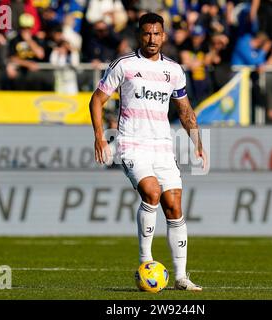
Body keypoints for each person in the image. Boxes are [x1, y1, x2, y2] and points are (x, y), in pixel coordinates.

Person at [89, 12, 207, 291]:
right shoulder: (125, 65)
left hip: (162, 146)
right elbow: (96, 99)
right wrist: (99, 137)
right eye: (147, 34)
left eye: (157, 34)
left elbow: (185, 110)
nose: (152, 39)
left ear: (164, 36)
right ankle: (146, 262)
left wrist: (197, 142)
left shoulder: (174, 71)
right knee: (152, 192)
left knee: (174, 208)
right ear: (139, 35)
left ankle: (181, 277)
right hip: (131, 142)